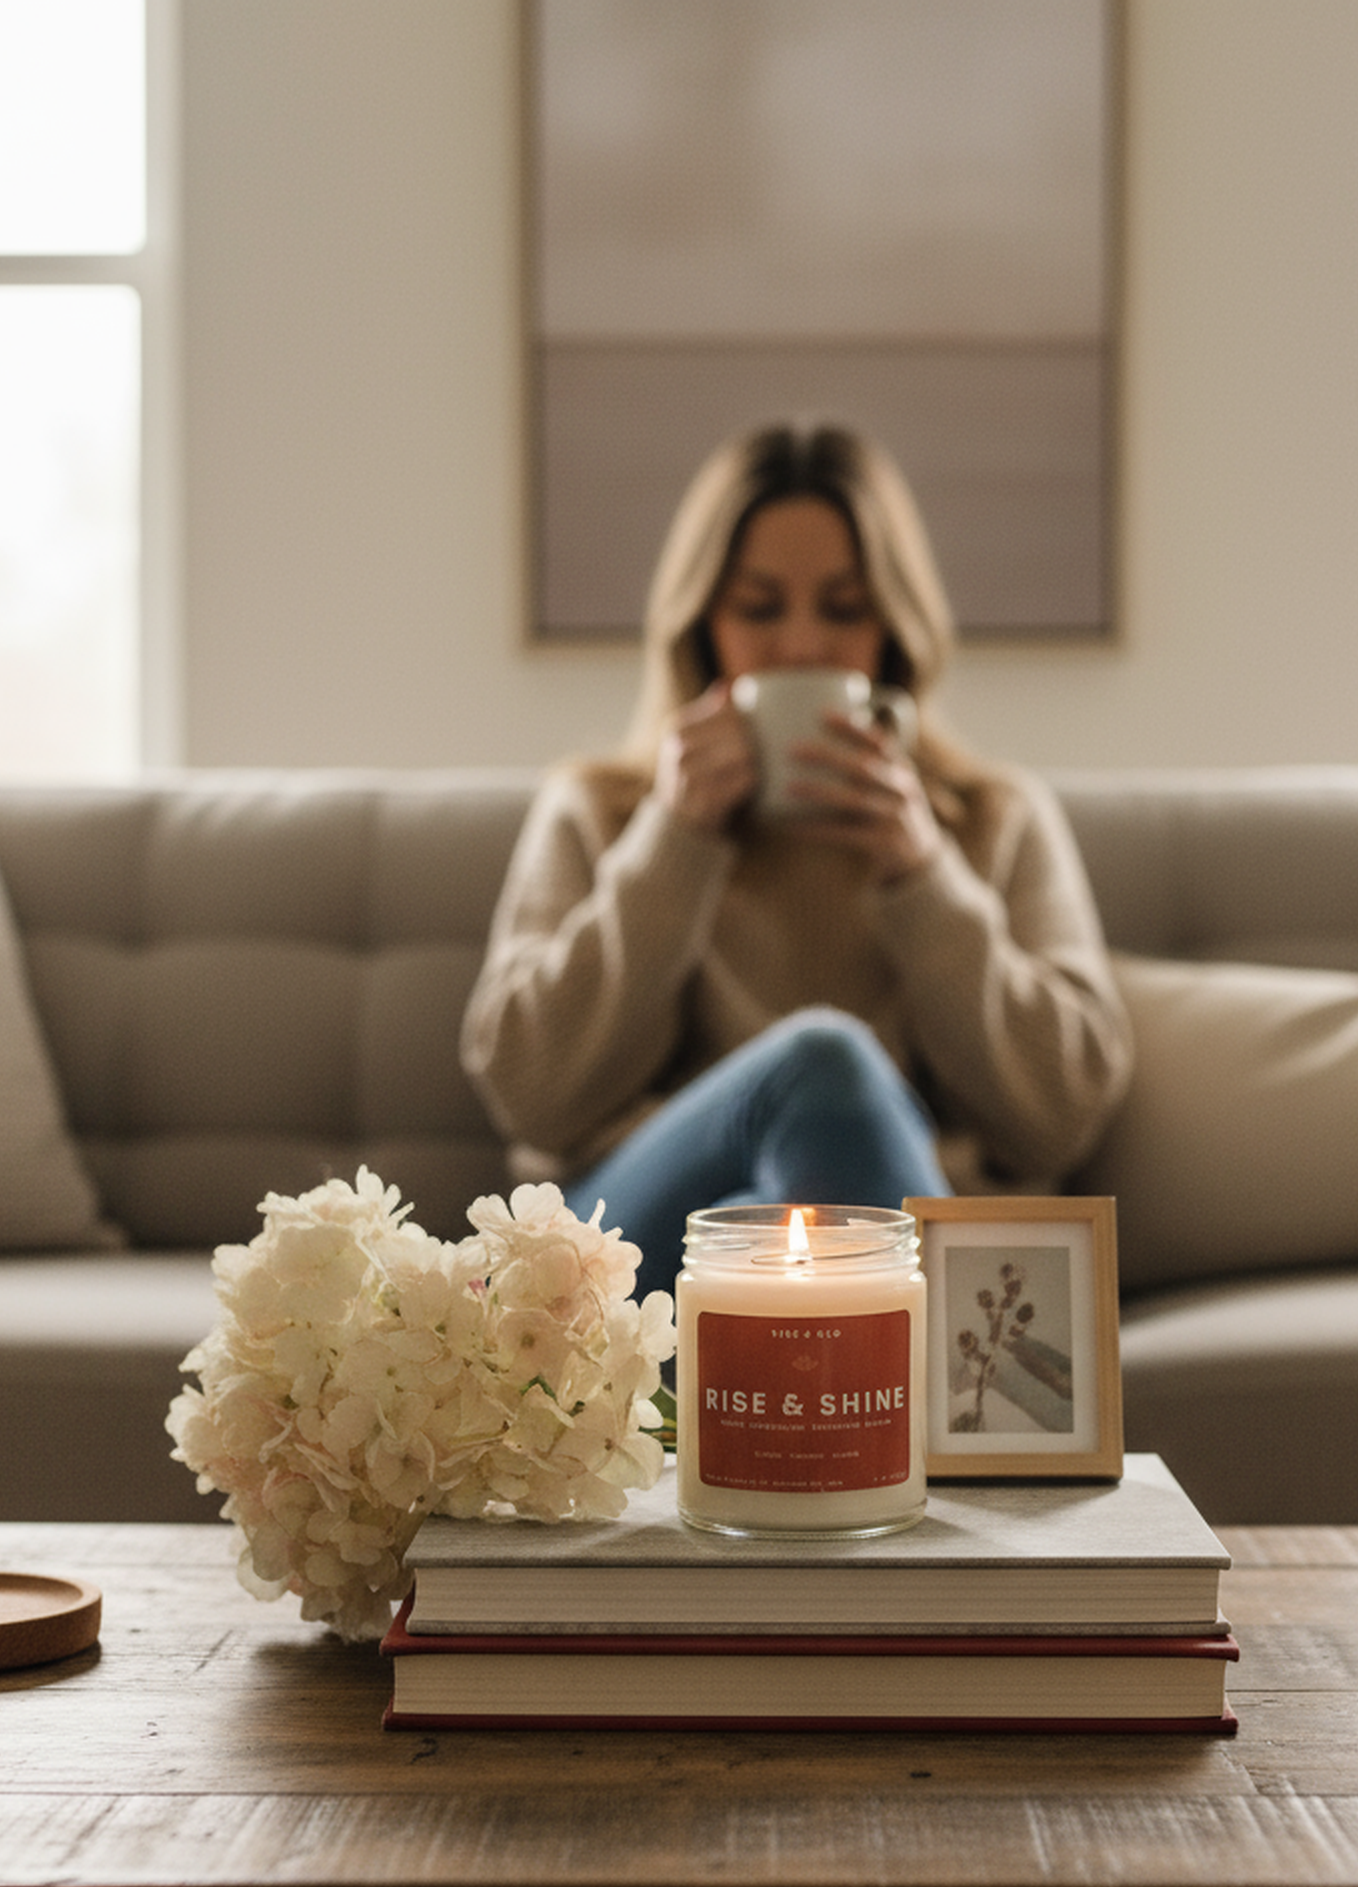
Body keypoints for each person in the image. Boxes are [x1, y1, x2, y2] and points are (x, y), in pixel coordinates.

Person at [461, 422, 1132, 1294]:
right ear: (702, 625)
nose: (804, 647)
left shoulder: (991, 820)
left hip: (874, 1237)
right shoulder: (601, 812)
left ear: (894, 630)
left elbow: (1060, 1118)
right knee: (821, 1064)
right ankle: (959, 1393)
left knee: (781, 1232)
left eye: (845, 610)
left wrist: (923, 879)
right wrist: (675, 843)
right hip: (631, 1258)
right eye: (760, 608)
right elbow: (529, 1091)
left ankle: (868, 1372)